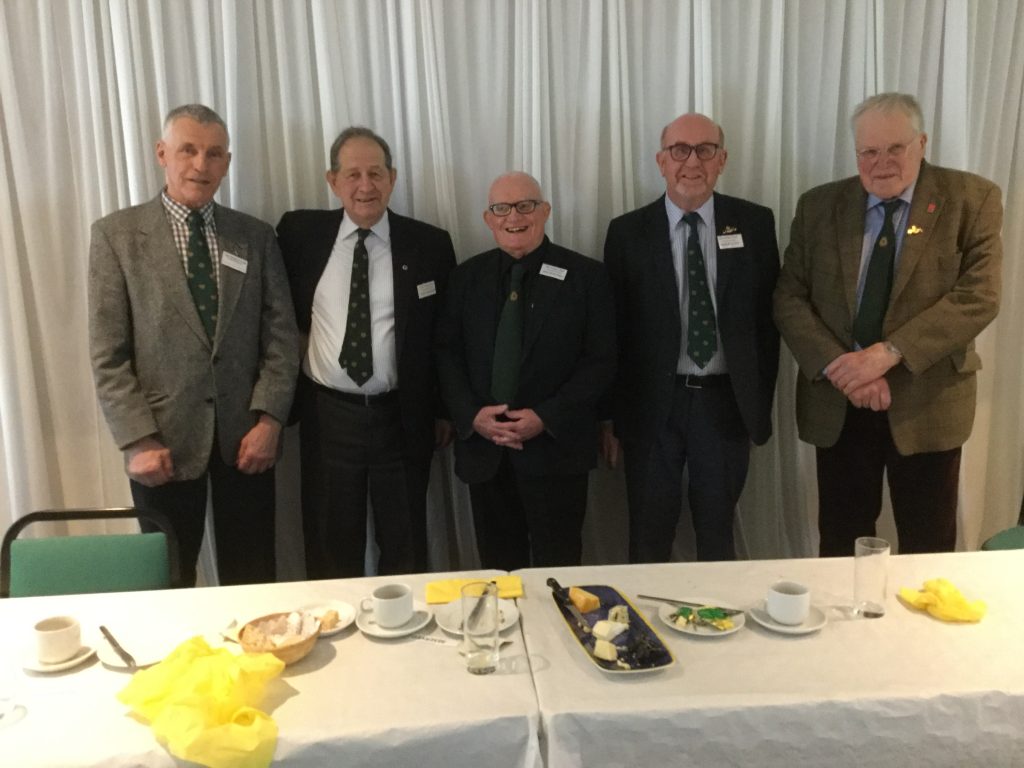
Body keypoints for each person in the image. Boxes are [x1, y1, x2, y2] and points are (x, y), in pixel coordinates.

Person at [773, 92, 1002, 555]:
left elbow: (979, 297)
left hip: (926, 403)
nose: (881, 163)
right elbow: (789, 296)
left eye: (895, 148)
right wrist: (845, 368)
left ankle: (924, 633)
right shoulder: (819, 206)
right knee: (839, 544)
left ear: (921, 143)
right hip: (840, 402)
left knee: (929, 546)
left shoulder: (971, 199)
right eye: (868, 152)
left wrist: (885, 355)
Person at [89, 104, 299, 586]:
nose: (200, 165)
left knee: (252, 581)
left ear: (227, 162)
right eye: (188, 150)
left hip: (245, 441)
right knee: (167, 584)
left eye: (213, 154)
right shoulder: (116, 237)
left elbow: (281, 338)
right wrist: (137, 437)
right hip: (160, 445)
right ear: (162, 153)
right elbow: (108, 353)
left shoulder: (256, 237)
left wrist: (269, 421)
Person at [277, 127, 456, 578]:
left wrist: (442, 410)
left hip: (401, 417)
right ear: (332, 180)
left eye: (375, 173)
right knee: (330, 544)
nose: (365, 186)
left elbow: (444, 339)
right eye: (353, 174)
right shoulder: (299, 235)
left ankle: (408, 640)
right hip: (327, 416)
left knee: (405, 543)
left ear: (392, 178)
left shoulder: (429, 245)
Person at [602, 113, 780, 562]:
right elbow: (612, 333)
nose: (692, 161)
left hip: (724, 404)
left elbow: (768, 322)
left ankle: (716, 625)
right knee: (648, 533)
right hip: (651, 408)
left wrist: (757, 402)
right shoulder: (626, 233)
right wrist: (612, 418)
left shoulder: (755, 224)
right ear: (661, 161)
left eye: (705, 149)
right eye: (680, 150)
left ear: (722, 160)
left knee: (717, 532)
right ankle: (641, 630)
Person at [435, 172, 615, 570]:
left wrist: (546, 417)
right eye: (501, 208)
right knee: (499, 574)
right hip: (486, 451)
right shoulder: (465, 278)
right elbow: (447, 355)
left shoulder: (587, 277)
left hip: (557, 451)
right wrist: (471, 416)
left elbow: (601, 360)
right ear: (488, 218)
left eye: (525, 205)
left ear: (545, 211)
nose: (513, 217)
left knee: (559, 569)